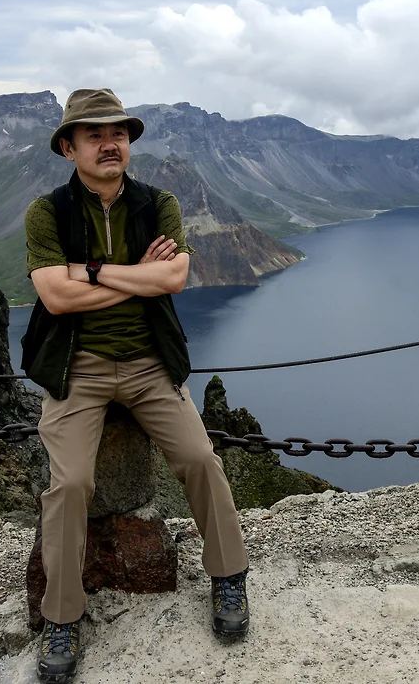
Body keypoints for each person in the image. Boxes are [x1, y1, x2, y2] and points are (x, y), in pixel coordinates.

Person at [23, 88, 250, 683]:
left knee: (200, 458)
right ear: (69, 147)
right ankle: (62, 617)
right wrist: (137, 276)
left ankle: (229, 576)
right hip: (79, 367)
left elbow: (173, 277)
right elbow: (55, 297)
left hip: (150, 364)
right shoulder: (48, 213)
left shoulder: (158, 203)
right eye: (95, 135)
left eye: (118, 133)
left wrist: (92, 271)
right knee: (71, 483)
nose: (110, 144)